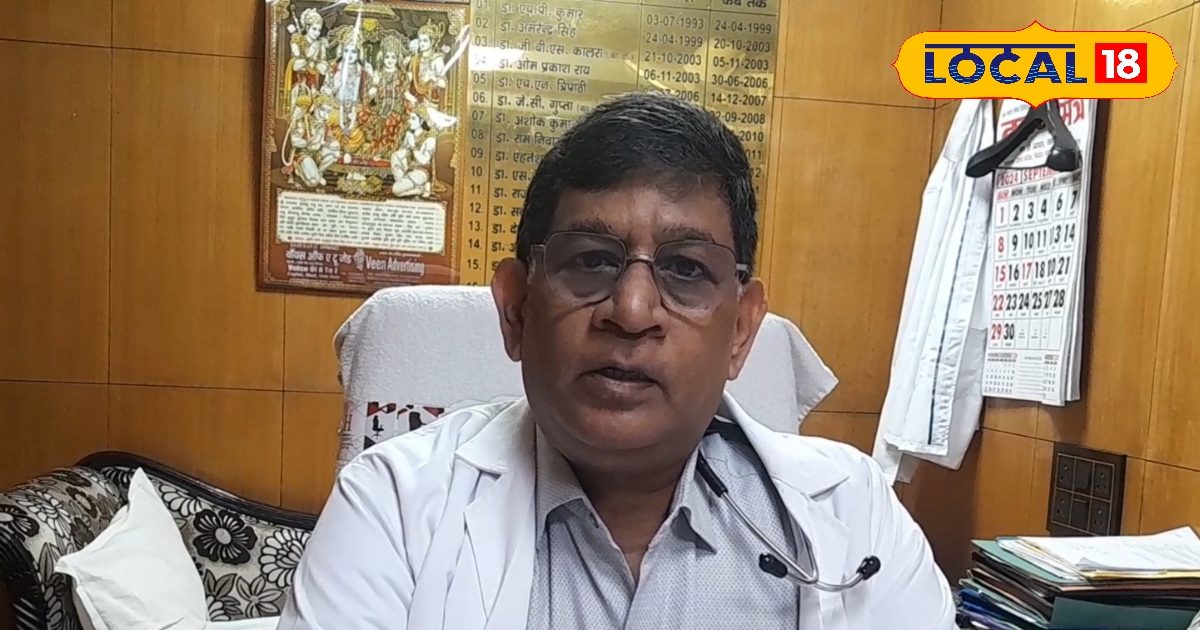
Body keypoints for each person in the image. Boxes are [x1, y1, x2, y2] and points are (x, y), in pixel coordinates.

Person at [278, 92, 955, 629]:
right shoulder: (392, 506)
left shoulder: (854, 511)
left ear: (741, 331)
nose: (631, 311)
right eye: (591, 261)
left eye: (686, 269)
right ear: (516, 312)